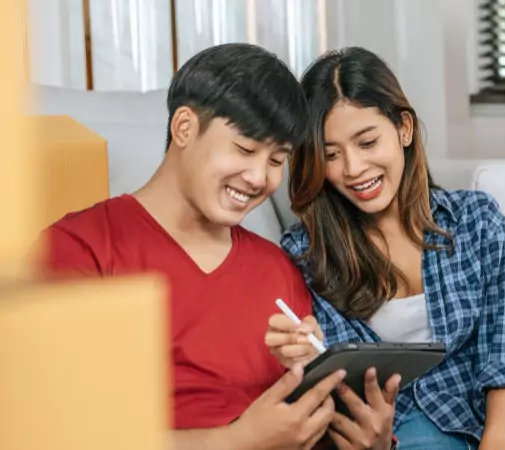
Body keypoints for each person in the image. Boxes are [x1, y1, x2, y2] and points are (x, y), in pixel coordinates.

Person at [267, 47, 505, 450]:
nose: (353, 168)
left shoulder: (476, 219)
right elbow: (340, 390)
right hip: (402, 439)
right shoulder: (307, 254)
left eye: (367, 142)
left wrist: (496, 442)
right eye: (331, 154)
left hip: (496, 435)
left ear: (404, 129)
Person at [39, 43, 398, 450]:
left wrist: (366, 438)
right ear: (185, 128)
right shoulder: (79, 251)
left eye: (277, 160)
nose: (259, 177)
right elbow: (54, 433)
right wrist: (235, 441)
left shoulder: (277, 270)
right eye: (245, 149)